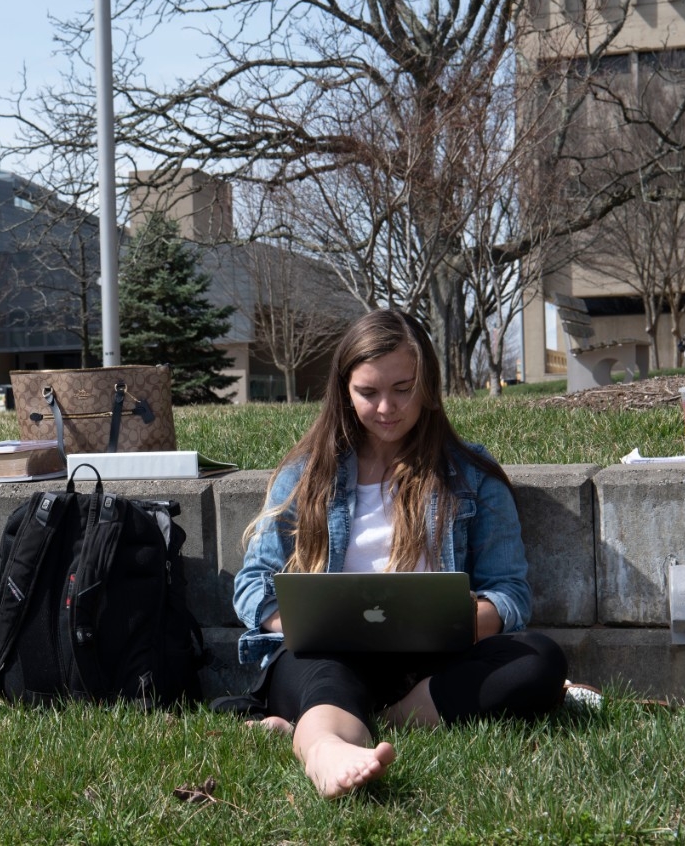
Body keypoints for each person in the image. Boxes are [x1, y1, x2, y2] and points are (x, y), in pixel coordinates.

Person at [222, 309, 567, 798]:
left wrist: (460, 620)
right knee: (318, 671)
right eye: (368, 392)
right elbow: (252, 582)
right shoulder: (307, 474)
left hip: (435, 668)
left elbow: (510, 593)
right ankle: (325, 751)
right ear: (344, 390)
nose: (387, 407)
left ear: (427, 385)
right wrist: (297, 622)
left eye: (403, 388)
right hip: (330, 657)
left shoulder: (472, 474)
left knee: (540, 659)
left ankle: (376, 720)